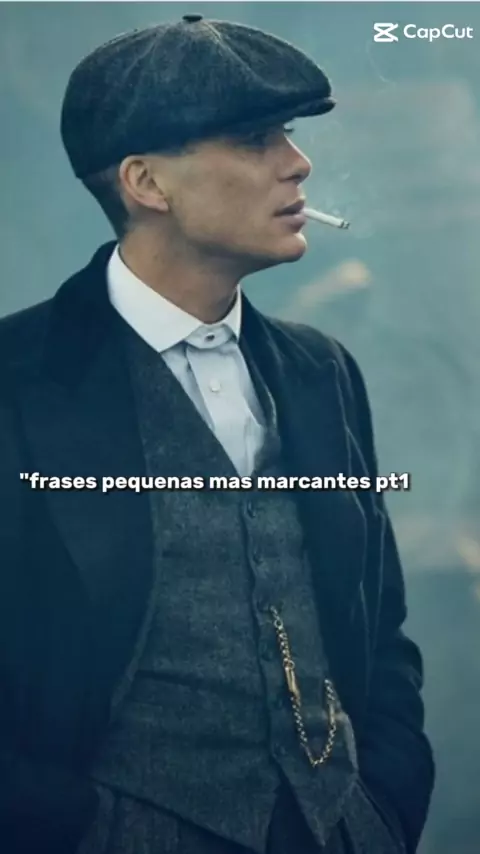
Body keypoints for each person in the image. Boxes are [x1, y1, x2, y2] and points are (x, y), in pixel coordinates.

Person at [0, 14, 434, 854]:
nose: (298, 163)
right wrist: (72, 828)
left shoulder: (321, 371)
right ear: (146, 183)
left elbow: (380, 628)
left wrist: (382, 804)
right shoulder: (15, 382)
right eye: (254, 139)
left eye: (289, 134)